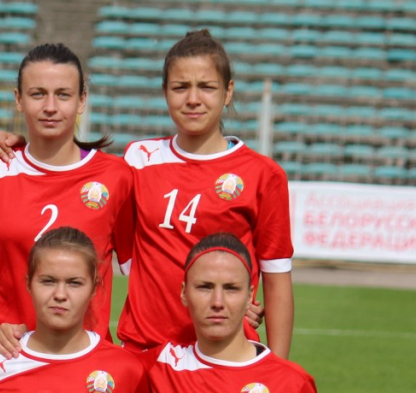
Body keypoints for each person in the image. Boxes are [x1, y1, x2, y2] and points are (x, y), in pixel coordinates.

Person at [115, 29, 294, 357]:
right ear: (165, 92)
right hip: (144, 353)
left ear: (228, 92)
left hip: (222, 356)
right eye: (180, 87)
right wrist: (20, 148)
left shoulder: (262, 175)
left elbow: (277, 278)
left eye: (207, 87)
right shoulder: (137, 160)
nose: (193, 99)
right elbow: (76, 179)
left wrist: (277, 372)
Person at [0, 43, 134, 353]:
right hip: (2, 354)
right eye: (37, 93)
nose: (50, 106)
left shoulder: (117, 176)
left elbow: (145, 269)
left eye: (63, 94)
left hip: (83, 361)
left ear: (82, 100)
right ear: (18, 99)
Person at [0, 227, 145, 393]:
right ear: (29, 284)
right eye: (48, 281)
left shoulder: (126, 370)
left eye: (74, 283)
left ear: (94, 288)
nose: (60, 295)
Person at [146, 233, 317, 393]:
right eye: (205, 287)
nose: (217, 302)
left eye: (231, 288)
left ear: (250, 296)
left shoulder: (292, 383)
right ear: (184, 293)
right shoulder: (158, 366)